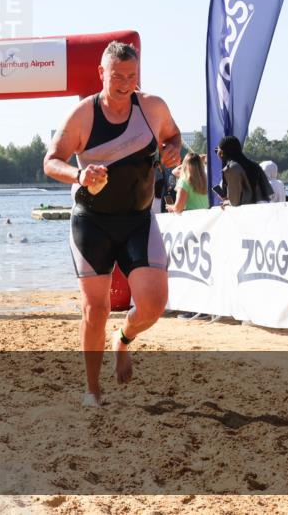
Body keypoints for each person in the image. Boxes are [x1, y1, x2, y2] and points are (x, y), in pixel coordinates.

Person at [43, 40, 181, 405]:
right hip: (93, 223)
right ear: (102, 74)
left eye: (131, 76)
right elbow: (51, 161)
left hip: (138, 219)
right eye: (117, 76)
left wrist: (173, 150)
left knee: (153, 304)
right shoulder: (84, 116)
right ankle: (92, 389)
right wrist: (78, 175)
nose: (124, 83)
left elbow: (174, 137)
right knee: (96, 308)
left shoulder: (152, 107)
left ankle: (123, 340)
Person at [215, 136, 273, 207]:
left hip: (245, 212)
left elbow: (234, 201)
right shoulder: (254, 165)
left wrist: (228, 202)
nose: (218, 153)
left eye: (218, 150)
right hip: (261, 209)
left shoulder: (232, 168)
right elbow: (268, 192)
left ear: (223, 152)